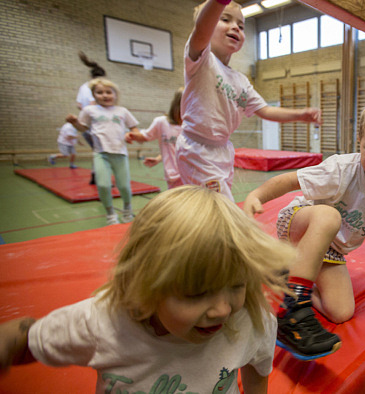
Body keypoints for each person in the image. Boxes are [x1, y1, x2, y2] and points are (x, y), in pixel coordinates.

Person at [0, 186, 295, 393]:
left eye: (236, 285)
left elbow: (258, 369)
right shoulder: (104, 322)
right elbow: (28, 339)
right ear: (146, 284)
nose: (223, 310)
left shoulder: (249, 320)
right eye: (195, 293)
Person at [243, 98, 365, 361]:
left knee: (342, 311)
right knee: (328, 216)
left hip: (330, 251)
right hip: (299, 224)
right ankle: (292, 306)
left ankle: (284, 276)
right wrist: (257, 195)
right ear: (360, 141)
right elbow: (292, 179)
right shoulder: (343, 169)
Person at [178, 0, 321, 201]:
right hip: (197, 148)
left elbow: (265, 110)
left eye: (241, 25)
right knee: (221, 206)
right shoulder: (202, 60)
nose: (235, 26)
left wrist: (300, 114)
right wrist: (218, 4)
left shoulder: (241, 81)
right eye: (225, 19)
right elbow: (202, 30)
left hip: (223, 149)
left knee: (207, 206)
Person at [66, 78, 139, 225]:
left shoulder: (122, 111)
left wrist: (131, 135)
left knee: (124, 186)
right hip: (101, 153)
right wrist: (74, 122)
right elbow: (83, 128)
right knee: (103, 185)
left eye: (108, 92)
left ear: (115, 94)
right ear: (93, 95)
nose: (104, 95)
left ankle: (127, 208)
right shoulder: (89, 110)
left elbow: (134, 128)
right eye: (99, 93)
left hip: (120, 153)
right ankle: (111, 214)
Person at [126, 88, 184, 189]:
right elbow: (145, 136)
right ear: (177, 105)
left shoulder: (193, 126)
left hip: (191, 175)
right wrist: (132, 135)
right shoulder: (162, 122)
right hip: (173, 176)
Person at [76, 51, 106, 184]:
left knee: (97, 151)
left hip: (84, 124)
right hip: (95, 124)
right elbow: (94, 104)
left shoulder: (83, 86)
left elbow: (78, 105)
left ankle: (95, 176)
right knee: (102, 152)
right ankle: (100, 177)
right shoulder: (96, 88)